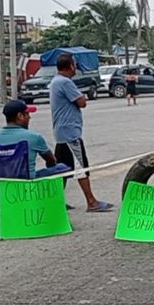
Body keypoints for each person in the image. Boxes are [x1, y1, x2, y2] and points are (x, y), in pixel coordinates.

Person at [49, 53, 114, 212]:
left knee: (61, 169)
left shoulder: (55, 81)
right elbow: (82, 102)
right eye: (75, 64)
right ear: (70, 66)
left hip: (62, 131)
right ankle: (91, 202)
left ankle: (55, 201)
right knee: (80, 167)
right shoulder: (65, 82)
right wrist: (82, 96)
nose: (76, 68)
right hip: (70, 133)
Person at [0, 100, 71, 179]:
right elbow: (51, 161)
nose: (29, 117)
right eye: (27, 114)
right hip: (27, 184)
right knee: (61, 167)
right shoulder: (34, 137)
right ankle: (50, 194)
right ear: (20, 116)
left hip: (0, 185)